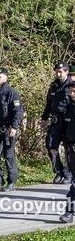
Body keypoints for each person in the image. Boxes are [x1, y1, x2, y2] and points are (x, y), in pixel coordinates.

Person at [0, 67, 24, 191]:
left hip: (8, 128)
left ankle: (11, 181)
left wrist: (14, 127)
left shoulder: (12, 92)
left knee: (8, 155)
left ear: (6, 77)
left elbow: (18, 112)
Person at [41, 62, 71, 183]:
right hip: (56, 121)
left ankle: (69, 174)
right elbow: (48, 103)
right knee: (51, 146)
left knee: (69, 149)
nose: (58, 74)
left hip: (69, 121)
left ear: (66, 72)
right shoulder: (53, 85)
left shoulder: (72, 86)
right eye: (57, 72)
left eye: (61, 72)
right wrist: (44, 118)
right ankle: (59, 171)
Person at [59, 83, 75, 222]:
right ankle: (69, 212)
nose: (72, 94)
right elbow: (61, 129)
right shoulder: (66, 109)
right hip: (72, 149)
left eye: (74, 91)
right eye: (71, 91)